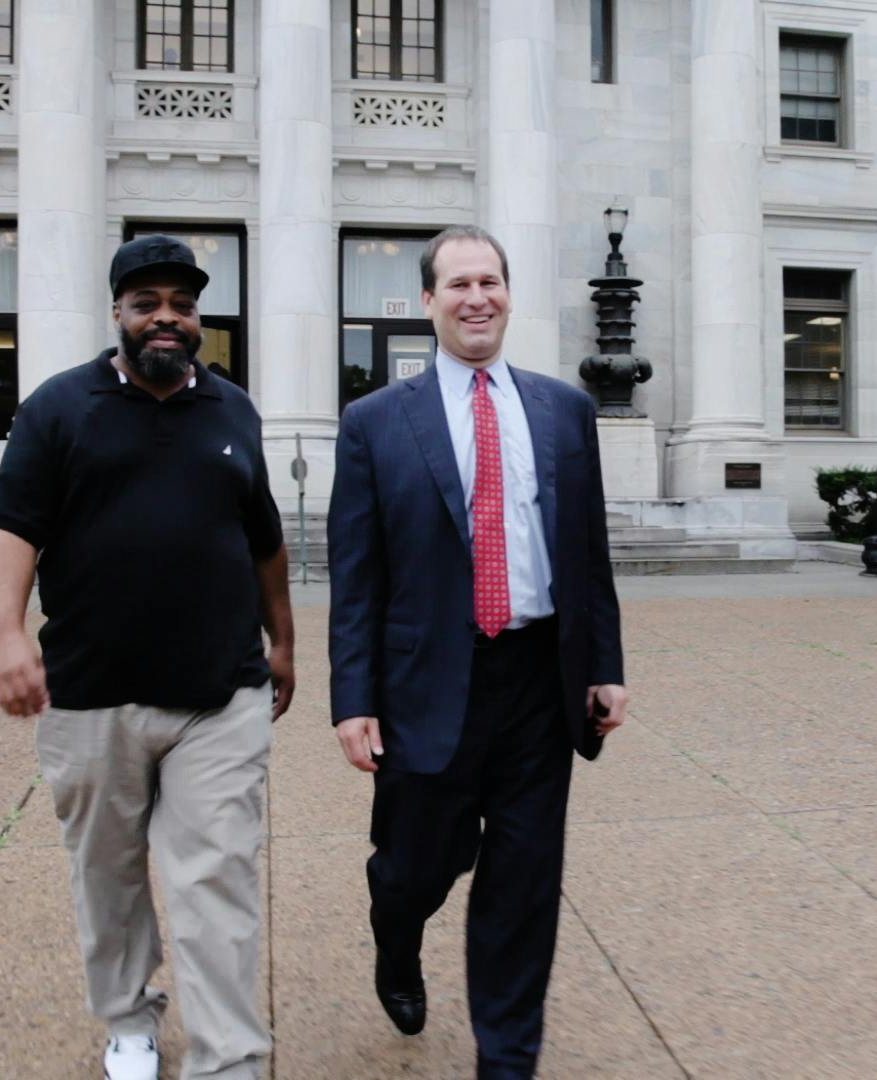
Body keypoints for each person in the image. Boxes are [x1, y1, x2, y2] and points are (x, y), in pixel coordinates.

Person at [0, 234, 294, 1080]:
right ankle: (128, 1021)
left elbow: (264, 537)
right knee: (108, 876)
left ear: (198, 320)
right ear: (117, 313)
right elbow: (11, 527)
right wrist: (9, 637)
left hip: (217, 693)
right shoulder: (57, 408)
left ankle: (229, 1057)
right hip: (91, 694)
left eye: (182, 306)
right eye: (147, 303)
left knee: (217, 877)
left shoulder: (234, 409)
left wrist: (285, 641)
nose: (166, 318)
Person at [326, 225, 629, 1079]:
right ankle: (397, 937)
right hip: (428, 681)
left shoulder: (565, 410)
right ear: (428, 302)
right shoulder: (376, 423)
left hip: (539, 678)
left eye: (490, 281)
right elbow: (358, 575)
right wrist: (354, 698)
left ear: (508, 293)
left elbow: (586, 552)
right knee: (418, 864)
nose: (476, 298)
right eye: (457, 284)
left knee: (525, 879)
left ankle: (507, 1059)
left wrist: (604, 665)